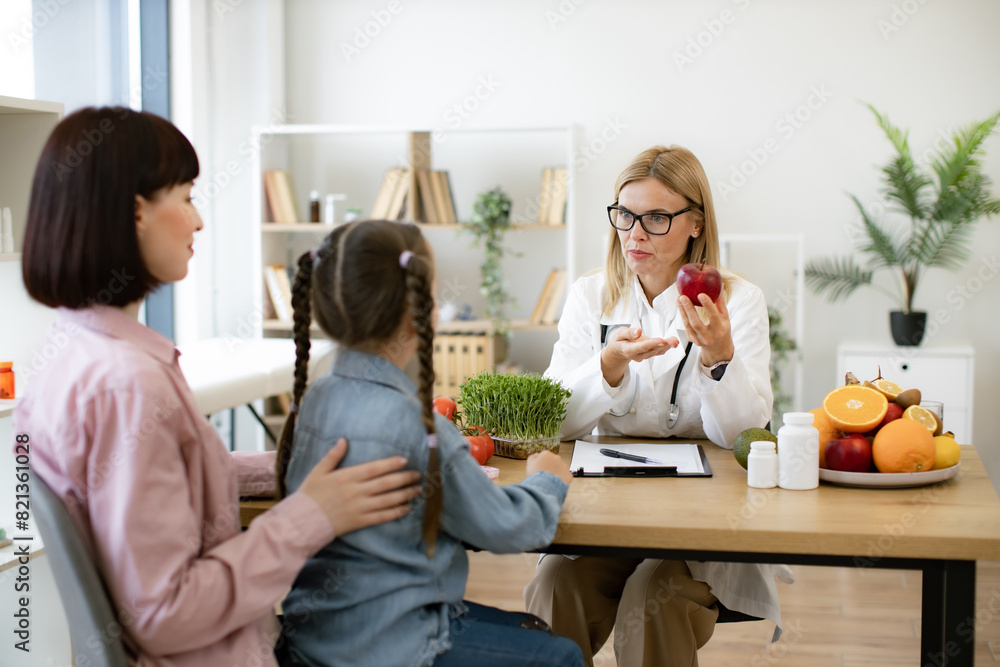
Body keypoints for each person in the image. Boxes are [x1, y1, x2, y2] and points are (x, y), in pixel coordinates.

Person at [14, 106, 424, 667]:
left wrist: (292, 466)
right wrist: (312, 514)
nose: (198, 221)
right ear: (136, 212)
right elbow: (163, 613)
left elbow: (164, 485)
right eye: (185, 197)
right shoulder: (127, 387)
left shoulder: (73, 353)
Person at [523, 145, 793, 667]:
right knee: (556, 582)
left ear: (696, 222)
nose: (635, 233)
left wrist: (720, 359)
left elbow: (743, 435)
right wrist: (607, 368)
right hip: (611, 511)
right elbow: (553, 419)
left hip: (703, 521)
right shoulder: (589, 296)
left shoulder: (737, 300)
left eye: (656, 217)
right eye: (625, 215)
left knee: (652, 595)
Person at [274, 219, 584, 667]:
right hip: (391, 644)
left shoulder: (315, 398)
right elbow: (508, 528)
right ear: (418, 313)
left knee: (525, 629)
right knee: (562, 657)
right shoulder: (415, 425)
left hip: (313, 636)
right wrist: (548, 482)